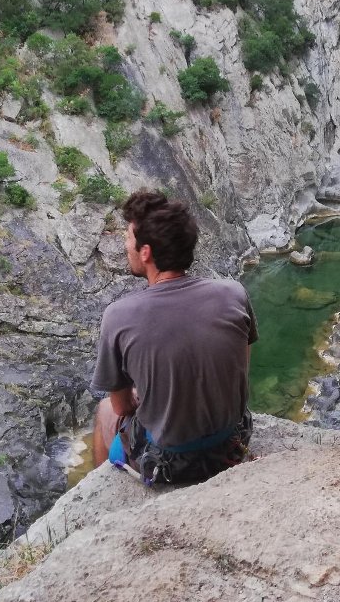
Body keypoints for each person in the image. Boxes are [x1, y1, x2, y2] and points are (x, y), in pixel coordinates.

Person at [90, 189, 257, 485]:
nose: (125, 245)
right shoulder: (234, 293)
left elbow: (122, 408)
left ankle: (107, 490)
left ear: (146, 252)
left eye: (128, 238)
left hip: (170, 465)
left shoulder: (119, 316)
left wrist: (150, 395)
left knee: (104, 411)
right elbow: (239, 372)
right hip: (232, 445)